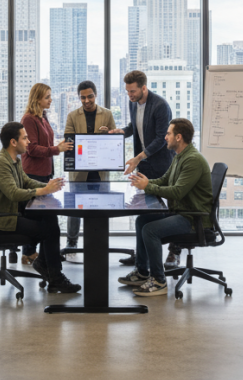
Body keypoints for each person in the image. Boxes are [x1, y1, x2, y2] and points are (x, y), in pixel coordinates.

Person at [0, 122, 80, 294]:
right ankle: (55, 278)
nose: (28, 141)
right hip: (0, 222)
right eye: (25, 138)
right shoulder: (0, 164)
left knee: (50, 218)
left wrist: (48, 186)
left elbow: (25, 182)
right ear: (13, 142)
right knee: (49, 230)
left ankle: (44, 264)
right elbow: (13, 193)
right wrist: (44, 190)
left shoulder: (13, 160)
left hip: (9, 214)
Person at [118, 118, 213, 297]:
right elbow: (164, 180)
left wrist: (147, 186)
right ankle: (142, 272)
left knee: (150, 230)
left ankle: (159, 281)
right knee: (142, 221)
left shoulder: (192, 160)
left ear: (178, 137)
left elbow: (177, 192)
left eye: (168, 133)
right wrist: (143, 182)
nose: (165, 137)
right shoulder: (179, 157)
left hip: (192, 218)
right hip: (181, 212)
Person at [105, 70, 175, 266]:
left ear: (144, 87)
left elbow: (162, 138)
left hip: (161, 164)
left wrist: (138, 157)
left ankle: (173, 252)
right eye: (127, 92)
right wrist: (122, 132)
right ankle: (142, 257)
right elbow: (135, 127)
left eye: (133, 91)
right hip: (144, 165)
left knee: (170, 208)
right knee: (145, 212)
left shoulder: (160, 106)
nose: (130, 95)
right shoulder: (132, 103)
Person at [19, 82, 72, 265]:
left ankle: (46, 254)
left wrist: (58, 145)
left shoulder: (43, 117)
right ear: (37, 99)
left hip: (45, 172)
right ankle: (29, 253)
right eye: (47, 97)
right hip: (33, 174)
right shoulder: (29, 119)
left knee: (46, 216)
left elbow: (46, 143)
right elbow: (31, 149)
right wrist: (57, 149)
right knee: (36, 216)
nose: (51, 100)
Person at [62, 80, 116, 253]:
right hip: (80, 171)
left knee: (101, 208)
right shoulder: (72, 116)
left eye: (90, 96)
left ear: (96, 95)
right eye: (83, 97)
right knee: (75, 207)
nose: (86, 101)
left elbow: (113, 139)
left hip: (100, 171)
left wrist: (105, 137)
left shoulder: (107, 114)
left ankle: (100, 240)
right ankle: (72, 242)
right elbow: (70, 143)